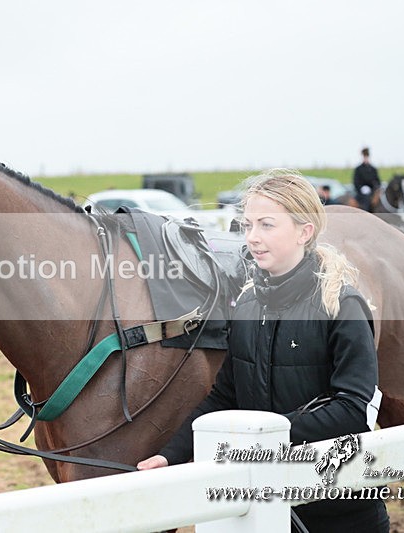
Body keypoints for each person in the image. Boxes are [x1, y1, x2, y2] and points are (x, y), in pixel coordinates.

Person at [137, 169, 389, 531]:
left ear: (304, 231)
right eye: (248, 225)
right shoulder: (247, 305)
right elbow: (225, 396)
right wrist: (171, 455)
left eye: (267, 225)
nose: (252, 237)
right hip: (265, 508)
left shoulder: (342, 306)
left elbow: (353, 409)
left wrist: (264, 437)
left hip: (339, 514)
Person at [353, 147, 381, 212]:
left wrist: (375, 187)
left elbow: (377, 181)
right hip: (361, 191)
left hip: (372, 190)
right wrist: (361, 188)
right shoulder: (358, 169)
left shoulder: (373, 169)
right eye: (364, 157)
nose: (366, 158)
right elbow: (356, 181)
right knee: (365, 199)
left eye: (367, 157)